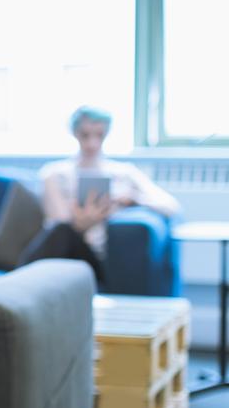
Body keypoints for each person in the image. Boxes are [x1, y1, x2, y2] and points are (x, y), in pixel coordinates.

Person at [18, 105, 180, 280]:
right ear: (75, 133)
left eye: (99, 135)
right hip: (66, 247)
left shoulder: (124, 173)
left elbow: (171, 206)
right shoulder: (53, 174)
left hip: (99, 257)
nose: (92, 143)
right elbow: (58, 222)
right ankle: (20, 283)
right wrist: (83, 222)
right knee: (62, 230)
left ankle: (17, 282)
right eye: (85, 135)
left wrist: (133, 200)